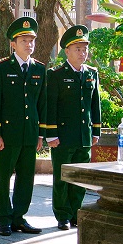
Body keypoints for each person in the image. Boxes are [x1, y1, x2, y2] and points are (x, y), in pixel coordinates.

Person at [0, 16, 47, 236]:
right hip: (8, 133)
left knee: (26, 177)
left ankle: (19, 217)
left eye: (31, 39)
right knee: (4, 178)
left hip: (29, 134)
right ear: (13, 43)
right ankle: (4, 219)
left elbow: (42, 104)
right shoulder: (2, 68)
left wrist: (41, 133)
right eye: (24, 40)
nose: (29, 44)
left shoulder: (39, 70)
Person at [45, 25, 101, 230]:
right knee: (62, 178)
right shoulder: (56, 74)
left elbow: (95, 105)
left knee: (80, 177)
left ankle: (76, 212)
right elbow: (50, 107)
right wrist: (51, 134)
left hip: (83, 136)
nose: (82, 52)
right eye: (77, 48)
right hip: (62, 136)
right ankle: (62, 214)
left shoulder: (92, 74)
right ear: (66, 51)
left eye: (84, 48)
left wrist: (95, 131)